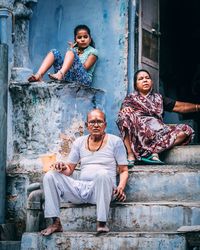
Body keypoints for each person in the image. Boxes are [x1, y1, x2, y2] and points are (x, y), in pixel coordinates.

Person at [41, 109, 128, 236]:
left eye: (99, 122)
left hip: (104, 190)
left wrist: (120, 187)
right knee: (50, 176)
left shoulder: (115, 141)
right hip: (81, 190)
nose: (96, 125)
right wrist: (61, 167)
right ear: (87, 126)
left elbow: (124, 170)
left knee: (102, 174)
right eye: (92, 122)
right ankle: (55, 222)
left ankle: (102, 222)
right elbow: (70, 169)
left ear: (105, 124)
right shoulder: (79, 142)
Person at [116, 69, 200, 166]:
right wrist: (126, 109)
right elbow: (124, 110)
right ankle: (131, 155)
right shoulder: (130, 99)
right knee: (123, 116)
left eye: (147, 78)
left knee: (186, 130)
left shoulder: (159, 98)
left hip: (158, 133)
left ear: (151, 82)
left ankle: (152, 151)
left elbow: (179, 107)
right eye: (141, 79)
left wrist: (198, 107)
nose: (145, 80)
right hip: (140, 134)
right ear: (136, 85)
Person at [28, 24, 98, 86]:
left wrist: (74, 54)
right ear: (75, 40)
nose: (82, 39)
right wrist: (72, 50)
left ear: (90, 39)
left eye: (85, 37)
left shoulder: (93, 51)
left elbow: (85, 68)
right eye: (79, 37)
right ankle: (39, 75)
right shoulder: (73, 49)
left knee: (71, 52)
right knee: (54, 52)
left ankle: (60, 74)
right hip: (69, 77)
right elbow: (67, 65)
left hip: (83, 81)